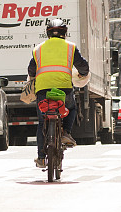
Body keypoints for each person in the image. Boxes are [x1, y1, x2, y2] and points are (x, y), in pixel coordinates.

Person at [28, 18, 90, 168]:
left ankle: (41, 158)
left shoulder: (38, 49)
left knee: (42, 122)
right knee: (72, 108)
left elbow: (31, 70)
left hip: (43, 90)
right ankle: (65, 133)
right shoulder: (70, 47)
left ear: (48, 33)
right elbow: (83, 67)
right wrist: (82, 74)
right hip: (64, 89)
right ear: (65, 33)